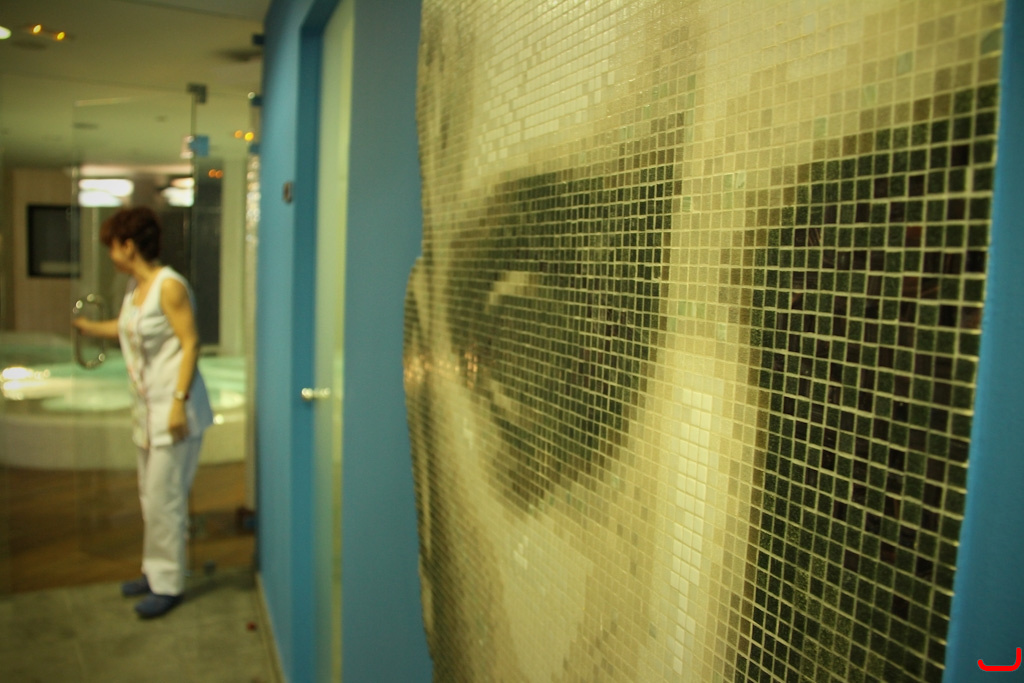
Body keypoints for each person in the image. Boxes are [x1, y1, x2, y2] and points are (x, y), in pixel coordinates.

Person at [74, 206, 213, 619]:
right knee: (150, 497)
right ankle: (154, 572)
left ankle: (168, 585)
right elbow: (125, 328)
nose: (111, 255)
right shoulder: (136, 288)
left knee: (165, 499)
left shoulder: (169, 286)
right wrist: (86, 327)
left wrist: (178, 403)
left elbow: (190, 343)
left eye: (113, 246)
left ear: (129, 246)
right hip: (147, 412)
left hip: (175, 410)